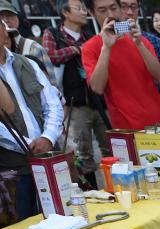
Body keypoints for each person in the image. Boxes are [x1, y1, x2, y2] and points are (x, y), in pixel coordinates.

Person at [0, 19, 64, 220]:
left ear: (5, 31)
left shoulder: (26, 63)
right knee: (22, 227)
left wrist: (48, 138)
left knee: (60, 217)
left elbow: (52, 103)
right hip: (13, 168)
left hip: (48, 159)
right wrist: (26, 145)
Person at [42, 0, 106, 187]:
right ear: (65, 12)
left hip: (100, 101)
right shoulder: (52, 33)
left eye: (85, 9)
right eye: (79, 8)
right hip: (74, 104)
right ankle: (91, 192)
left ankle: (117, 187)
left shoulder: (90, 36)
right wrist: (76, 49)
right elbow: (50, 57)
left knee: (110, 146)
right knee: (82, 154)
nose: (84, 12)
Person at [82, 0, 160, 130]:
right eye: (102, 10)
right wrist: (106, 47)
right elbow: (97, 88)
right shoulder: (90, 47)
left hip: (156, 123)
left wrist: (139, 44)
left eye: (113, 8)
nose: (110, 14)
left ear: (119, 8)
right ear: (92, 13)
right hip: (124, 128)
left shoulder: (141, 40)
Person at [119, 0, 160, 111]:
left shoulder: (154, 41)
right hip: (127, 116)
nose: (129, 12)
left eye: (133, 7)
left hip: (158, 112)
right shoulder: (107, 44)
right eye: (123, 6)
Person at [0, 1, 55, 79]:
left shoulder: (33, 48)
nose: (5, 20)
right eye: (0, 17)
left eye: (9, 15)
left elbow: (52, 84)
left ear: (17, 18)